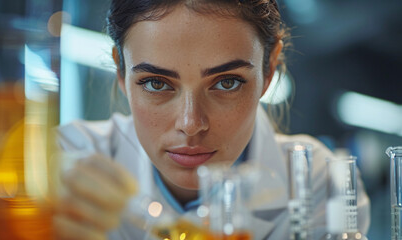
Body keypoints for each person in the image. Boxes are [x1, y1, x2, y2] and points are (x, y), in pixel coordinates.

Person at [54, 0, 370, 239]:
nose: (191, 123)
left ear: (268, 71)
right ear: (121, 72)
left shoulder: (318, 184)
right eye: (157, 83)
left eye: (226, 83)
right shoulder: (64, 159)